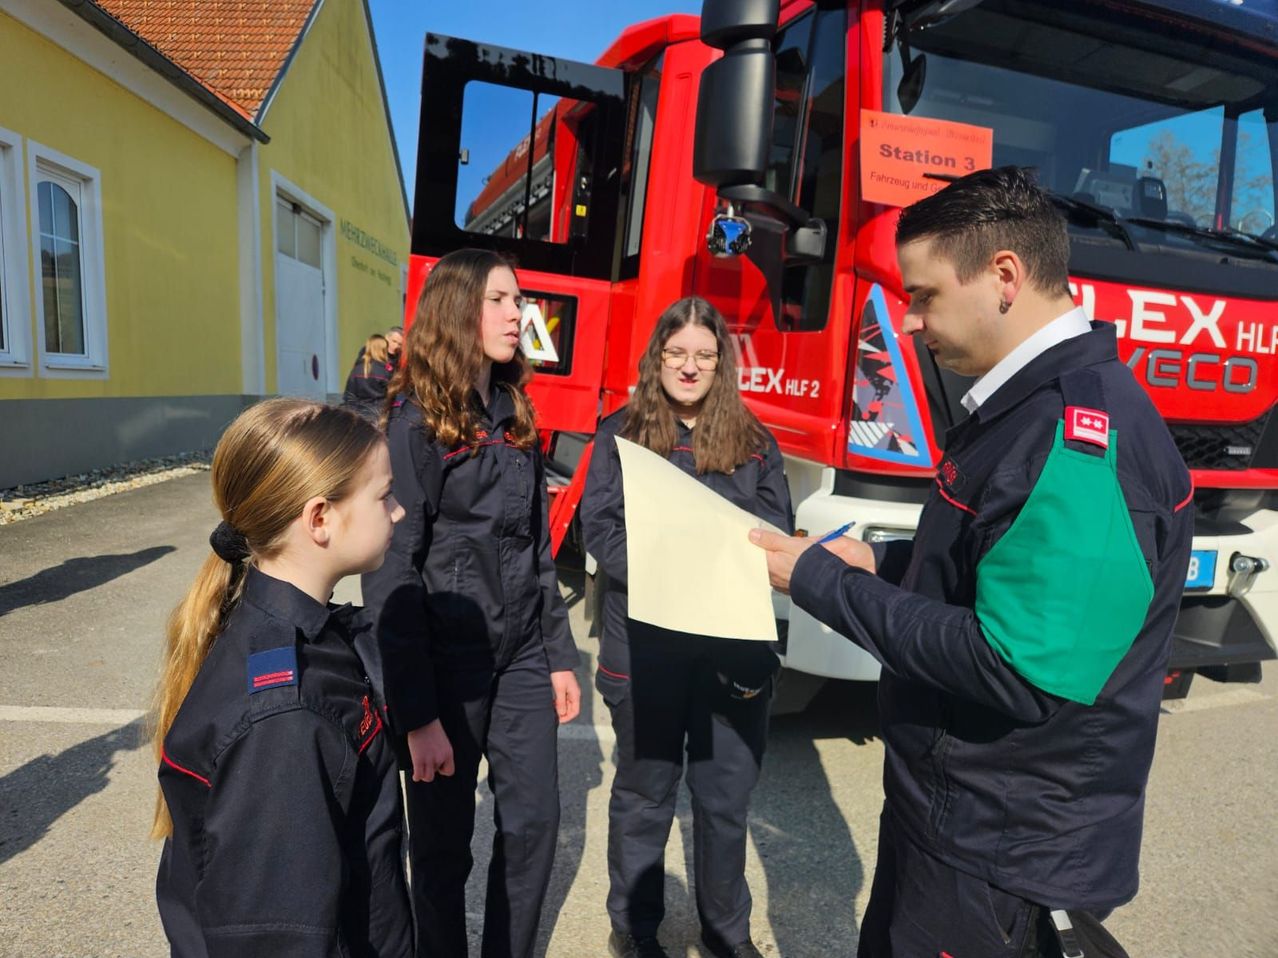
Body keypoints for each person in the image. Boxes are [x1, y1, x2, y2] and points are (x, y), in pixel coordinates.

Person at [752, 166, 1193, 957]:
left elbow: (1012, 669)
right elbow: (994, 561)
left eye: (923, 296)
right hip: (960, 821)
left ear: (1003, 277)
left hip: (999, 851)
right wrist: (883, 561)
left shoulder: (1077, 440)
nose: (910, 321)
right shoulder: (1027, 408)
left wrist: (822, 581)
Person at [361, 247, 581, 958]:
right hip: (445, 669)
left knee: (535, 826)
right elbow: (392, 574)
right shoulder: (415, 422)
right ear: (458, 310)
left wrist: (558, 656)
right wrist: (418, 715)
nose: (518, 313)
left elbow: (536, 550)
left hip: (519, 656)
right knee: (442, 850)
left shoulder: (514, 409)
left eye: (518, 300)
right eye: (500, 300)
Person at [152, 397, 412, 957]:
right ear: (319, 519)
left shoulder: (292, 636)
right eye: (384, 494)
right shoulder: (286, 719)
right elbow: (275, 939)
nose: (399, 512)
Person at [581, 296, 793, 958]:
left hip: (730, 652)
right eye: (678, 354)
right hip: (645, 647)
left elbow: (775, 532)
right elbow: (601, 529)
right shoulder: (620, 433)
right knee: (645, 796)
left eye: (705, 355)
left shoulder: (755, 441)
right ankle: (636, 928)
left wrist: (732, 559)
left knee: (724, 805)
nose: (690, 367)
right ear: (658, 358)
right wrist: (668, 572)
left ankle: (726, 935)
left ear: (721, 364)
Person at [343, 333, 394, 421]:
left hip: (359, 416)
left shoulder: (356, 369)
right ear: (382, 350)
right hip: (379, 415)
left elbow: (349, 396)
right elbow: (392, 396)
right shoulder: (386, 371)